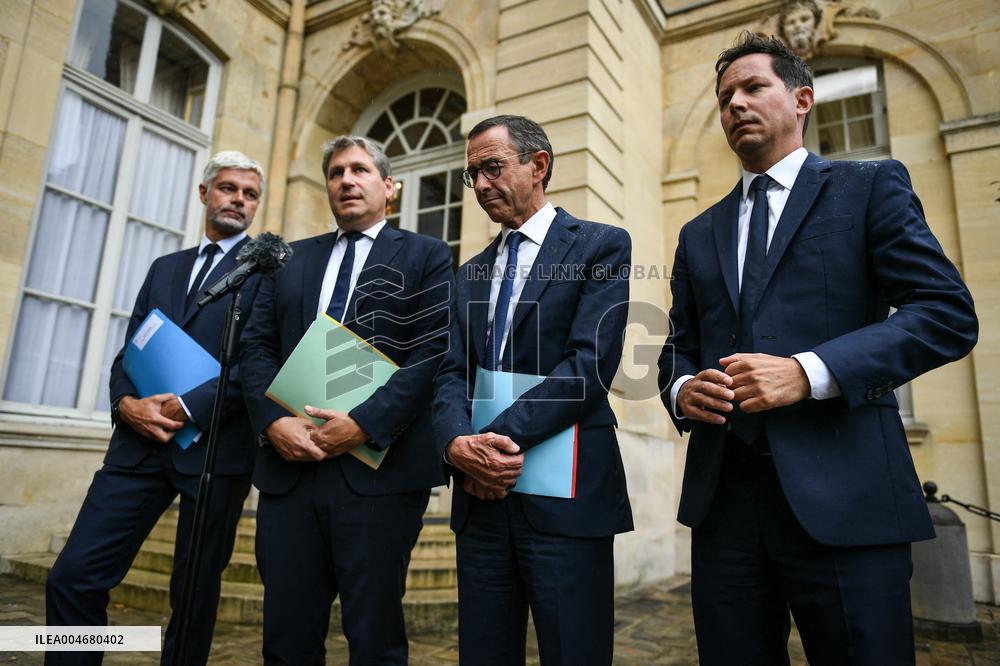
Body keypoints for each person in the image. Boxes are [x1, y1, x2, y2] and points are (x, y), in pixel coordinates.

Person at [657, 32, 978, 664]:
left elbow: (945, 313)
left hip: (849, 492)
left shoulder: (868, 186)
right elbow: (678, 344)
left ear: (802, 98)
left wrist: (810, 372)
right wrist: (680, 388)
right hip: (725, 507)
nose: (735, 106)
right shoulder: (698, 232)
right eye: (725, 98)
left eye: (754, 88)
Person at [46, 151, 266, 666]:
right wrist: (125, 404)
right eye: (228, 188)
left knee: (192, 598)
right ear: (204, 192)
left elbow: (261, 366)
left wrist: (189, 405)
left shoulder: (267, 270)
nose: (238, 199)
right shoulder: (164, 268)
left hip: (215, 454)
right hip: (137, 446)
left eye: (249, 193)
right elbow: (130, 349)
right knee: (73, 576)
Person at [239, 136, 453, 665]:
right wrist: (272, 424)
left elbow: (435, 350)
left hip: (380, 475)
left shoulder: (428, 255)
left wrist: (363, 422)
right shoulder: (288, 258)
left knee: (375, 638)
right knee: (286, 637)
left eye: (359, 170)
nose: (346, 181)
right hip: (291, 470)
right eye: (336, 172)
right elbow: (256, 347)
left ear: (389, 187)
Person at [432, 115, 633, 665]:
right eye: (471, 174)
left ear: (538, 164)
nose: (479, 185)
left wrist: (486, 444)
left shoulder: (600, 247)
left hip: (566, 496)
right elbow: (450, 372)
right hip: (480, 504)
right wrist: (455, 445)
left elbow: (588, 367)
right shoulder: (466, 273)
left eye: (492, 168)